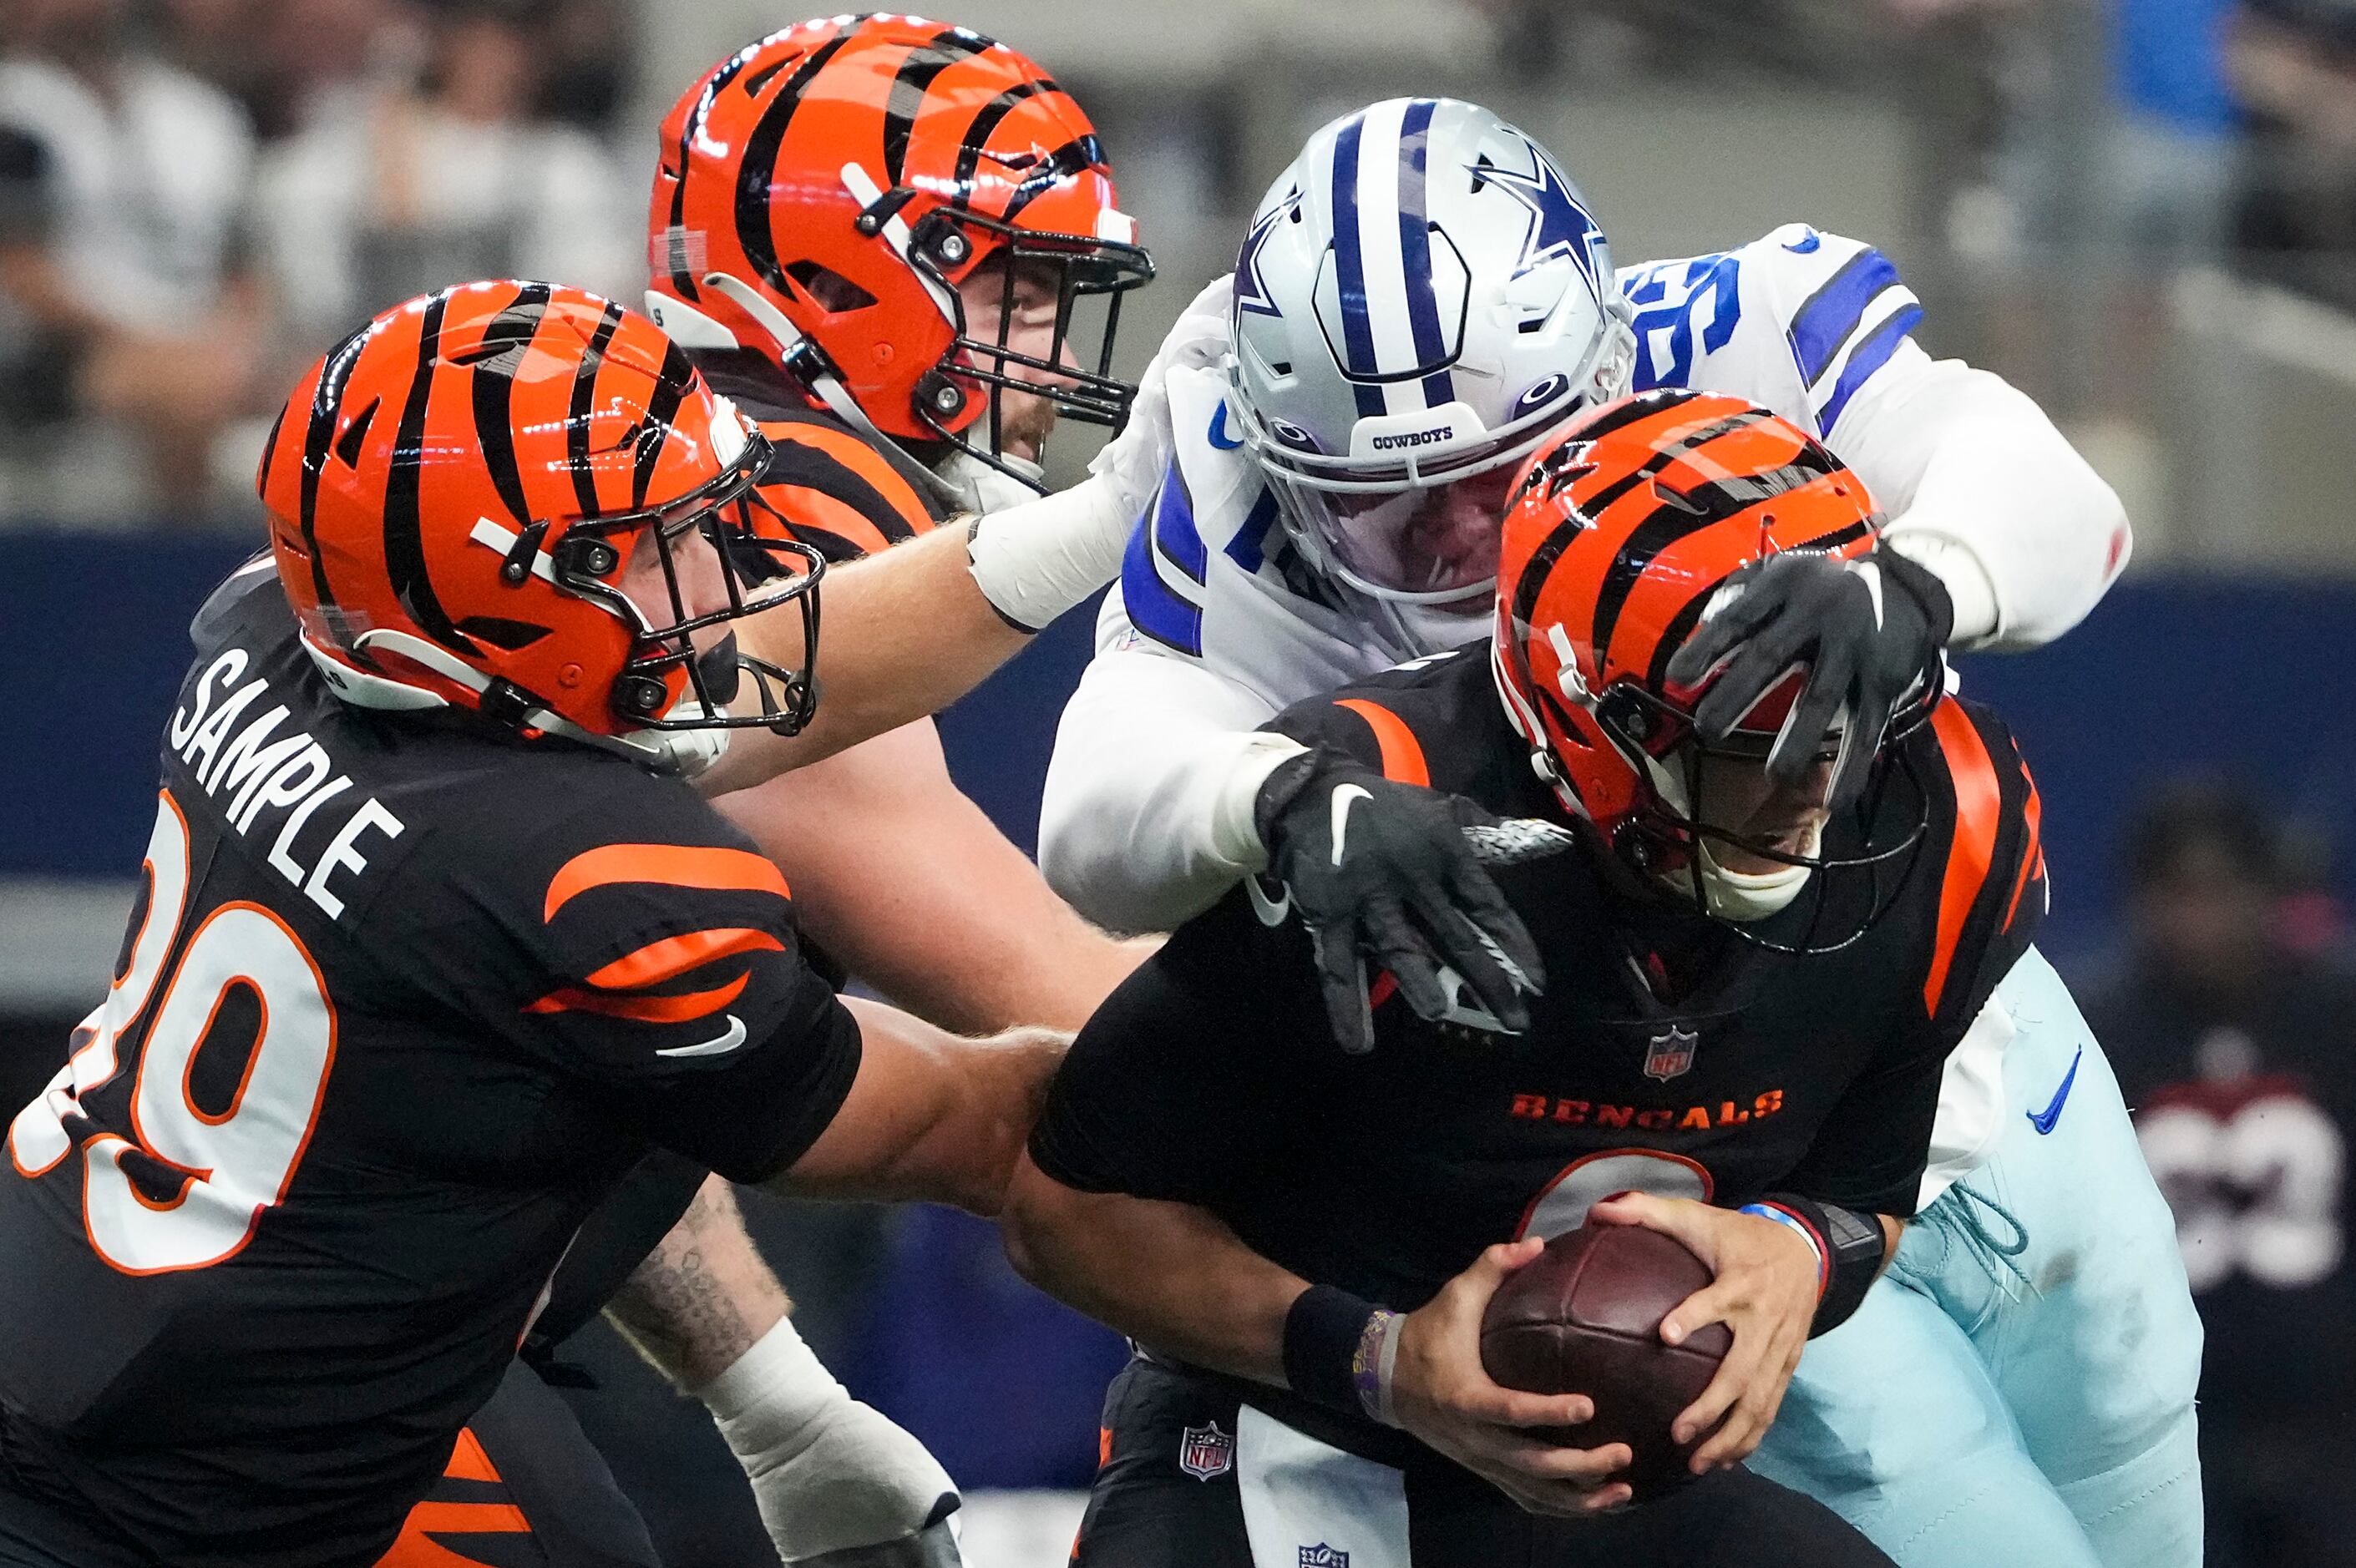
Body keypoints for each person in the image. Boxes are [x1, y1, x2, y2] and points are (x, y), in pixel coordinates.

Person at [1036, 98, 2199, 1568]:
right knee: (1935, 1498)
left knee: (2129, 1387)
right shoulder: (1235, 484)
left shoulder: (1739, 330)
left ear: (1601, 373)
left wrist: (1925, 578)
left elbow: (2058, 499)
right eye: (1393, 514)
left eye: (1498, 474)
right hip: (1590, 1062)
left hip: (1896, 981)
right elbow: (1093, 815)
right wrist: (1264, 795)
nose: (1463, 538)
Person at [0, 279, 1166, 1568]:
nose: (737, 572)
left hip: (120, 1336)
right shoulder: (577, 876)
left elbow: (781, 684)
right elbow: (978, 1124)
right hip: (158, 1502)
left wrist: (1105, 517)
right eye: (663, 540)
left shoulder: (280, 630)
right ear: (510, 595)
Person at [1002, 392, 2053, 1566]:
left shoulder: (1937, 828)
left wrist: (1798, 1249)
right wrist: (1383, 1361)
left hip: (1615, 1478)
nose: (1819, 779)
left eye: (1849, 716)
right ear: (1591, 723)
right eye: (1749, 737)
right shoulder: (1380, 823)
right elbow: (1065, 1214)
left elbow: (1863, 1189)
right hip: (1301, 1430)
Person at [383, 23, 1170, 1565]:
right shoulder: (759, 533)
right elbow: (1078, 1019)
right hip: (331, 1360)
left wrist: (768, 1394)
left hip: (245, 1289)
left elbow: (600, 1062)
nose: (1053, 352)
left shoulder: (611, 484)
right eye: (1012, 279)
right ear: (849, 272)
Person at [2076, 781, 2356, 1568]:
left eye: (2221, 890)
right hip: (2169, 1413)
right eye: (2176, 893)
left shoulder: (2337, 1016)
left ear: (2269, 892)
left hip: (2331, 1400)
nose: (2199, 920)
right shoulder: (2090, 1033)